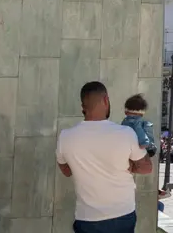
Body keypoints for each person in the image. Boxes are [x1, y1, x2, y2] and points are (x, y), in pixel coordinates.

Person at [56, 81, 153, 233]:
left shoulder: (65, 137)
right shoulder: (126, 133)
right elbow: (147, 168)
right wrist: (131, 165)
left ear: (83, 106)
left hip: (87, 217)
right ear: (106, 100)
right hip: (122, 213)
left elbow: (66, 171)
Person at [120, 94, 157, 158]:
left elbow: (144, 143)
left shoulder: (129, 122)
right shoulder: (143, 123)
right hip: (142, 153)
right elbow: (145, 143)